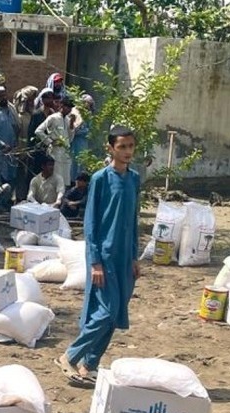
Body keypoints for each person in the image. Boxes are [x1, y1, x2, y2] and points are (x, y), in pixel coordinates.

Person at [56, 126, 141, 383]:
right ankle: (70, 356)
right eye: (122, 147)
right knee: (105, 311)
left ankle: (89, 366)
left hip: (125, 257)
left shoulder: (135, 178)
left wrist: (135, 256)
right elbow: (91, 223)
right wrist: (94, 262)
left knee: (115, 314)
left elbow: (133, 220)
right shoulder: (100, 179)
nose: (127, 152)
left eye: (130, 146)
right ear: (110, 148)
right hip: (103, 255)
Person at [35, 96, 74, 191]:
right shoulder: (53, 118)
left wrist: (72, 126)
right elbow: (38, 131)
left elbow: (70, 138)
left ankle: (61, 201)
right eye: (67, 107)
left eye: (70, 108)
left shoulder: (68, 120)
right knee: (55, 179)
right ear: (61, 105)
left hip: (65, 153)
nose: (68, 110)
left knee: (65, 181)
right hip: (55, 153)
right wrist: (50, 142)